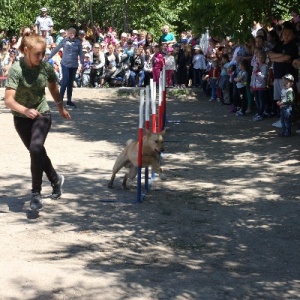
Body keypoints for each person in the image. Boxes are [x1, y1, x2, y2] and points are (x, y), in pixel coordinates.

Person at [4, 34, 71, 211]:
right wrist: (24, 110)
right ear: (26, 51)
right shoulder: (16, 69)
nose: (41, 58)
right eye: (37, 54)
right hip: (21, 117)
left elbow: (53, 87)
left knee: (35, 148)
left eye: (43, 54)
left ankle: (36, 193)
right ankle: (56, 180)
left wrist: (60, 107)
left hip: (42, 113)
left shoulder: (45, 67)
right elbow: (8, 100)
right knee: (37, 150)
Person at [268, 23, 298, 128]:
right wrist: (281, 57)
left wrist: (278, 57)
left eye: (289, 34)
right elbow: (270, 55)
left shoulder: (293, 46)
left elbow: (287, 58)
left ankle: (288, 121)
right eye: (284, 33)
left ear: (293, 35)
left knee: (287, 100)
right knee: (280, 100)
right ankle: (282, 119)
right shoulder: (279, 44)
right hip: (277, 76)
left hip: (287, 78)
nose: (286, 35)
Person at [49, 27, 84, 107]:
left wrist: (82, 63)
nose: (72, 35)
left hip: (74, 65)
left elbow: (81, 53)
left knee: (70, 82)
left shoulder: (78, 42)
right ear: (68, 34)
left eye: (73, 33)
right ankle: (60, 100)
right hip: (65, 64)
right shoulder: (64, 41)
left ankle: (69, 100)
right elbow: (56, 49)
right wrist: (49, 56)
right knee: (65, 81)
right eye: (70, 33)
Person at [250, 50, 268, 121]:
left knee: (261, 100)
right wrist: (251, 86)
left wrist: (258, 72)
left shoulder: (264, 66)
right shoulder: (255, 66)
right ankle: (259, 112)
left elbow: (263, 78)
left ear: (264, 59)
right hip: (255, 87)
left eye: (261, 58)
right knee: (256, 100)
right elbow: (252, 77)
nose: (260, 59)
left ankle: (261, 113)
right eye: (258, 57)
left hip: (261, 87)